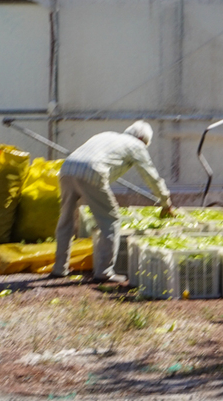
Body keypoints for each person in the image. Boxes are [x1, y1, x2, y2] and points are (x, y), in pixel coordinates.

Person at [52, 120, 172, 283]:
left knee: (65, 220)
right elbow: (151, 177)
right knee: (111, 220)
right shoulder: (136, 146)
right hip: (92, 171)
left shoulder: (107, 135)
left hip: (67, 169)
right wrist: (166, 202)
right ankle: (104, 272)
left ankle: (59, 268)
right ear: (143, 139)